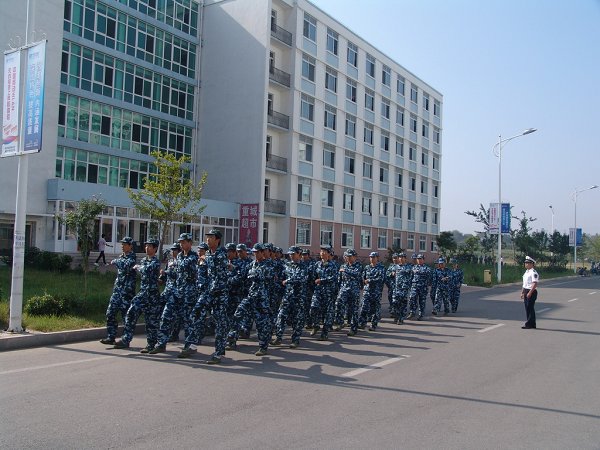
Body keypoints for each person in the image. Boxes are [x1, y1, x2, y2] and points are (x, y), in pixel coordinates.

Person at [113, 238, 162, 351]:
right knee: (131, 313)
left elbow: (147, 270)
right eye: (146, 246)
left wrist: (139, 267)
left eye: (149, 246)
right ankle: (126, 339)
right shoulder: (144, 260)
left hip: (152, 295)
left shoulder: (155, 261)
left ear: (155, 248)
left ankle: (151, 344)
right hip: (142, 293)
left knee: (151, 321)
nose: (147, 248)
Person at [99, 237, 137, 345]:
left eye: (125, 244)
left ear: (130, 246)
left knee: (126, 317)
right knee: (110, 313)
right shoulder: (122, 257)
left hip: (126, 293)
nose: (123, 246)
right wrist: (117, 260)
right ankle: (111, 336)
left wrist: (116, 261)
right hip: (117, 292)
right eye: (122, 244)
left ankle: (125, 340)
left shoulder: (132, 258)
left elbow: (125, 265)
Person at [272, 246, 308, 348]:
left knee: (297, 319)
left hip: (299, 296)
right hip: (287, 295)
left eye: (293, 254)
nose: (291, 256)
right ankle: (278, 337)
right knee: (281, 316)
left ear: (299, 255)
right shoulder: (286, 265)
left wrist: (288, 281)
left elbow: (301, 278)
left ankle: (295, 340)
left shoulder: (304, 266)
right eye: (290, 254)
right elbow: (281, 278)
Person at [334, 249, 363, 336]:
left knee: (354, 309)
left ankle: (353, 328)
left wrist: (345, 270)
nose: (348, 258)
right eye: (346, 256)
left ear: (355, 257)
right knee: (338, 303)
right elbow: (340, 279)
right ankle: (340, 322)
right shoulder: (343, 266)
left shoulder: (358, 266)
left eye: (350, 256)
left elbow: (356, 274)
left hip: (354, 290)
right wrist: (338, 288)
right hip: (344, 289)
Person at [358, 252, 386, 331]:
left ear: (377, 258)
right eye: (370, 257)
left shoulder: (381, 267)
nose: (372, 259)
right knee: (364, 307)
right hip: (367, 291)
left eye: (373, 257)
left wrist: (370, 280)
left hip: (376, 291)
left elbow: (381, 279)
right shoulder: (367, 267)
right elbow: (363, 277)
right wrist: (363, 282)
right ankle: (362, 323)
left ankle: (374, 324)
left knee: (375, 309)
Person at [521, 256, 539, 329]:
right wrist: (522, 292)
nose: (526, 264)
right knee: (527, 308)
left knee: (530, 308)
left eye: (527, 263)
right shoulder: (526, 272)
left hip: (531, 291)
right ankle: (532, 324)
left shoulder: (533, 272)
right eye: (525, 263)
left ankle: (529, 324)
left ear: (532, 264)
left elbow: (535, 283)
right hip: (526, 290)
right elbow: (524, 283)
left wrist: (530, 292)